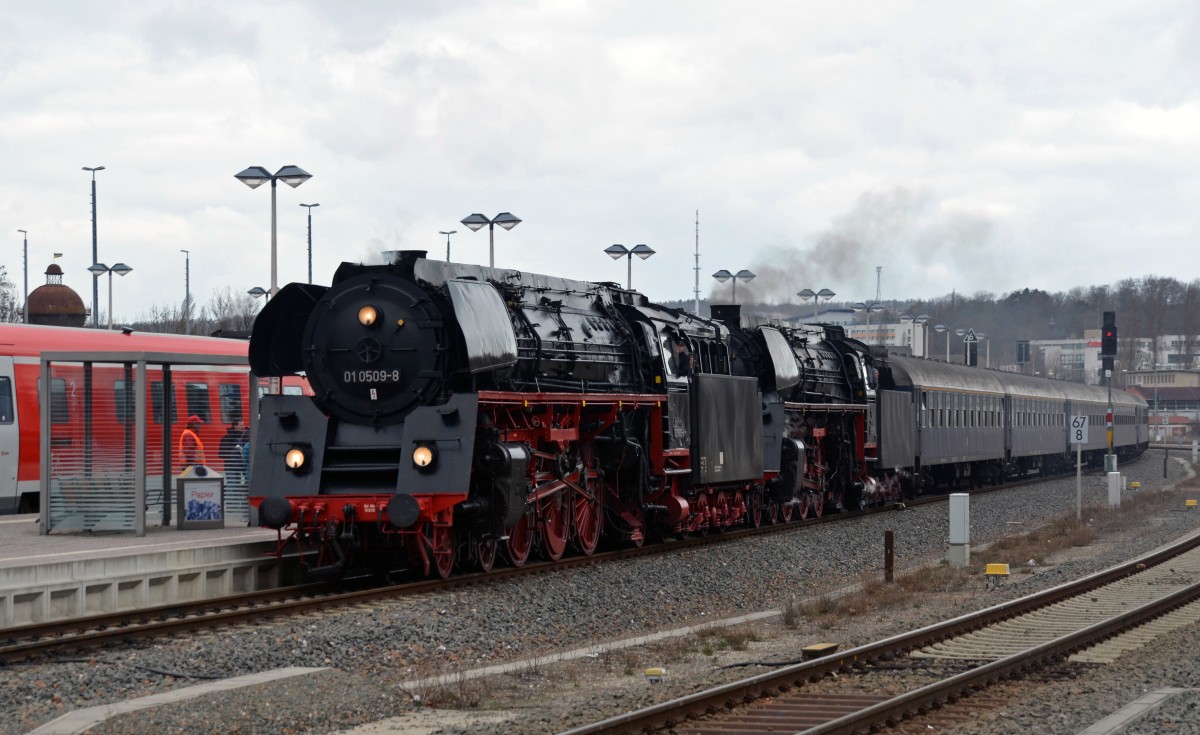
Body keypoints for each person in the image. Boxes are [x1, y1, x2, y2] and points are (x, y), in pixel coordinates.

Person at [219, 418, 249, 485]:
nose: (243, 427)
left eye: (243, 425)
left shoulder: (242, 436)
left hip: (239, 466)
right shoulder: (228, 438)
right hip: (231, 466)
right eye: (241, 425)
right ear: (235, 426)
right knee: (232, 484)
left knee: (237, 484)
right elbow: (223, 453)